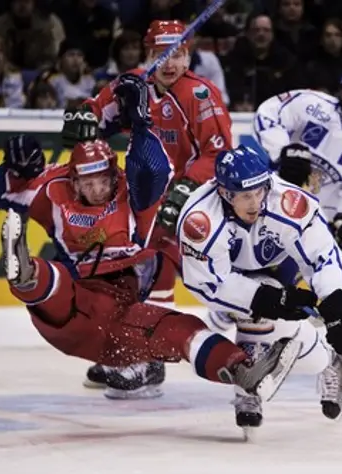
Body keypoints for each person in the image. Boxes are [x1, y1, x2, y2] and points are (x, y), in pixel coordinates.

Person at [0, 74, 300, 405]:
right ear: (72, 180)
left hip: (124, 309)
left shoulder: (135, 196)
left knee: (178, 327)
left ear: (115, 174)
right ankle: (26, 274)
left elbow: (153, 169)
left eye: (103, 180)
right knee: (56, 285)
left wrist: (140, 121)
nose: (95, 189)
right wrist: (15, 168)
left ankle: (239, 369)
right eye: (85, 183)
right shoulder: (53, 187)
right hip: (79, 297)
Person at [61, 20, 233, 394]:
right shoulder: (131, 84)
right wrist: (82, 118)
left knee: (156, 271)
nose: (170, 63)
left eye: (179, 54)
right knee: (124, 269)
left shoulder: (200, 96)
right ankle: (129, 351)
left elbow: (217, 153)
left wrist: (183, 191)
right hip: (139, 193)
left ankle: (147, 359)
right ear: (147, 54)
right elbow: (95, 114)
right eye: (161, 54)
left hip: (186, 198)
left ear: (189, 55)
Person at [177, 145, 342, 431]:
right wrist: (264, 298)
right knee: (251, 311)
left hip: (281, 263)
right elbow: (208, 283)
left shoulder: (287, 201)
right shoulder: (200, 219)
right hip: (233, 274)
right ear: (225, 194)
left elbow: (322, 254)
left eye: (259, 192)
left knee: (268, 316)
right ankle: (251, 386)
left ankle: (328, 359)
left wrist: (337, 304)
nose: (255, 203)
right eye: (245, 196)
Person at [254, 63, 342, 247]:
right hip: (277, 198)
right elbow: (268, 114)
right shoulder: (312, 104)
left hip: (322, 216)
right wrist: (282, 153)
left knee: (306, 272)